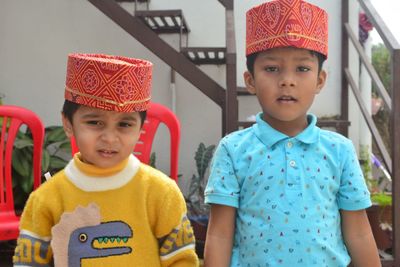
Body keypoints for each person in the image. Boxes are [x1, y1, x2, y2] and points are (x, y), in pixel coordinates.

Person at [203, 0, 381, 266]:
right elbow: (219, 235)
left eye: (302, 68)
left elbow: (358, 232)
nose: (287, 80)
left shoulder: (340, 150)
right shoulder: (233, 150)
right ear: (250, 80)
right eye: (272, 68)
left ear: (320, 80)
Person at [13, 53, 198, 266]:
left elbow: (181, 260)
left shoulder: (161, 192)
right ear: (68, 124)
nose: (109, 138)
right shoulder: (46, 199)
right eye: (94, 122)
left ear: (140, 128)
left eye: (125, 124)